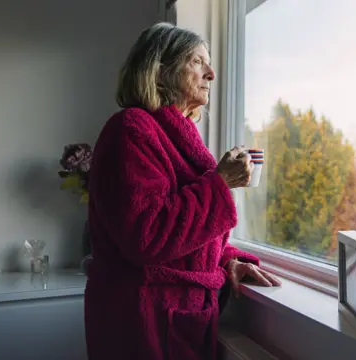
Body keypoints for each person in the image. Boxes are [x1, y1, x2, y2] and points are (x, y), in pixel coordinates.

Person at [84, 22, 281, 360]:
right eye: (197, 61)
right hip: (139, 323)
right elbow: (147, 235)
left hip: (178, 318)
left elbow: (186, 236)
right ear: (160, 73)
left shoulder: (177, 135)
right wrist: (220, 183)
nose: (212, 73)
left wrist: (227, 258)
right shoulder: (130, 130)